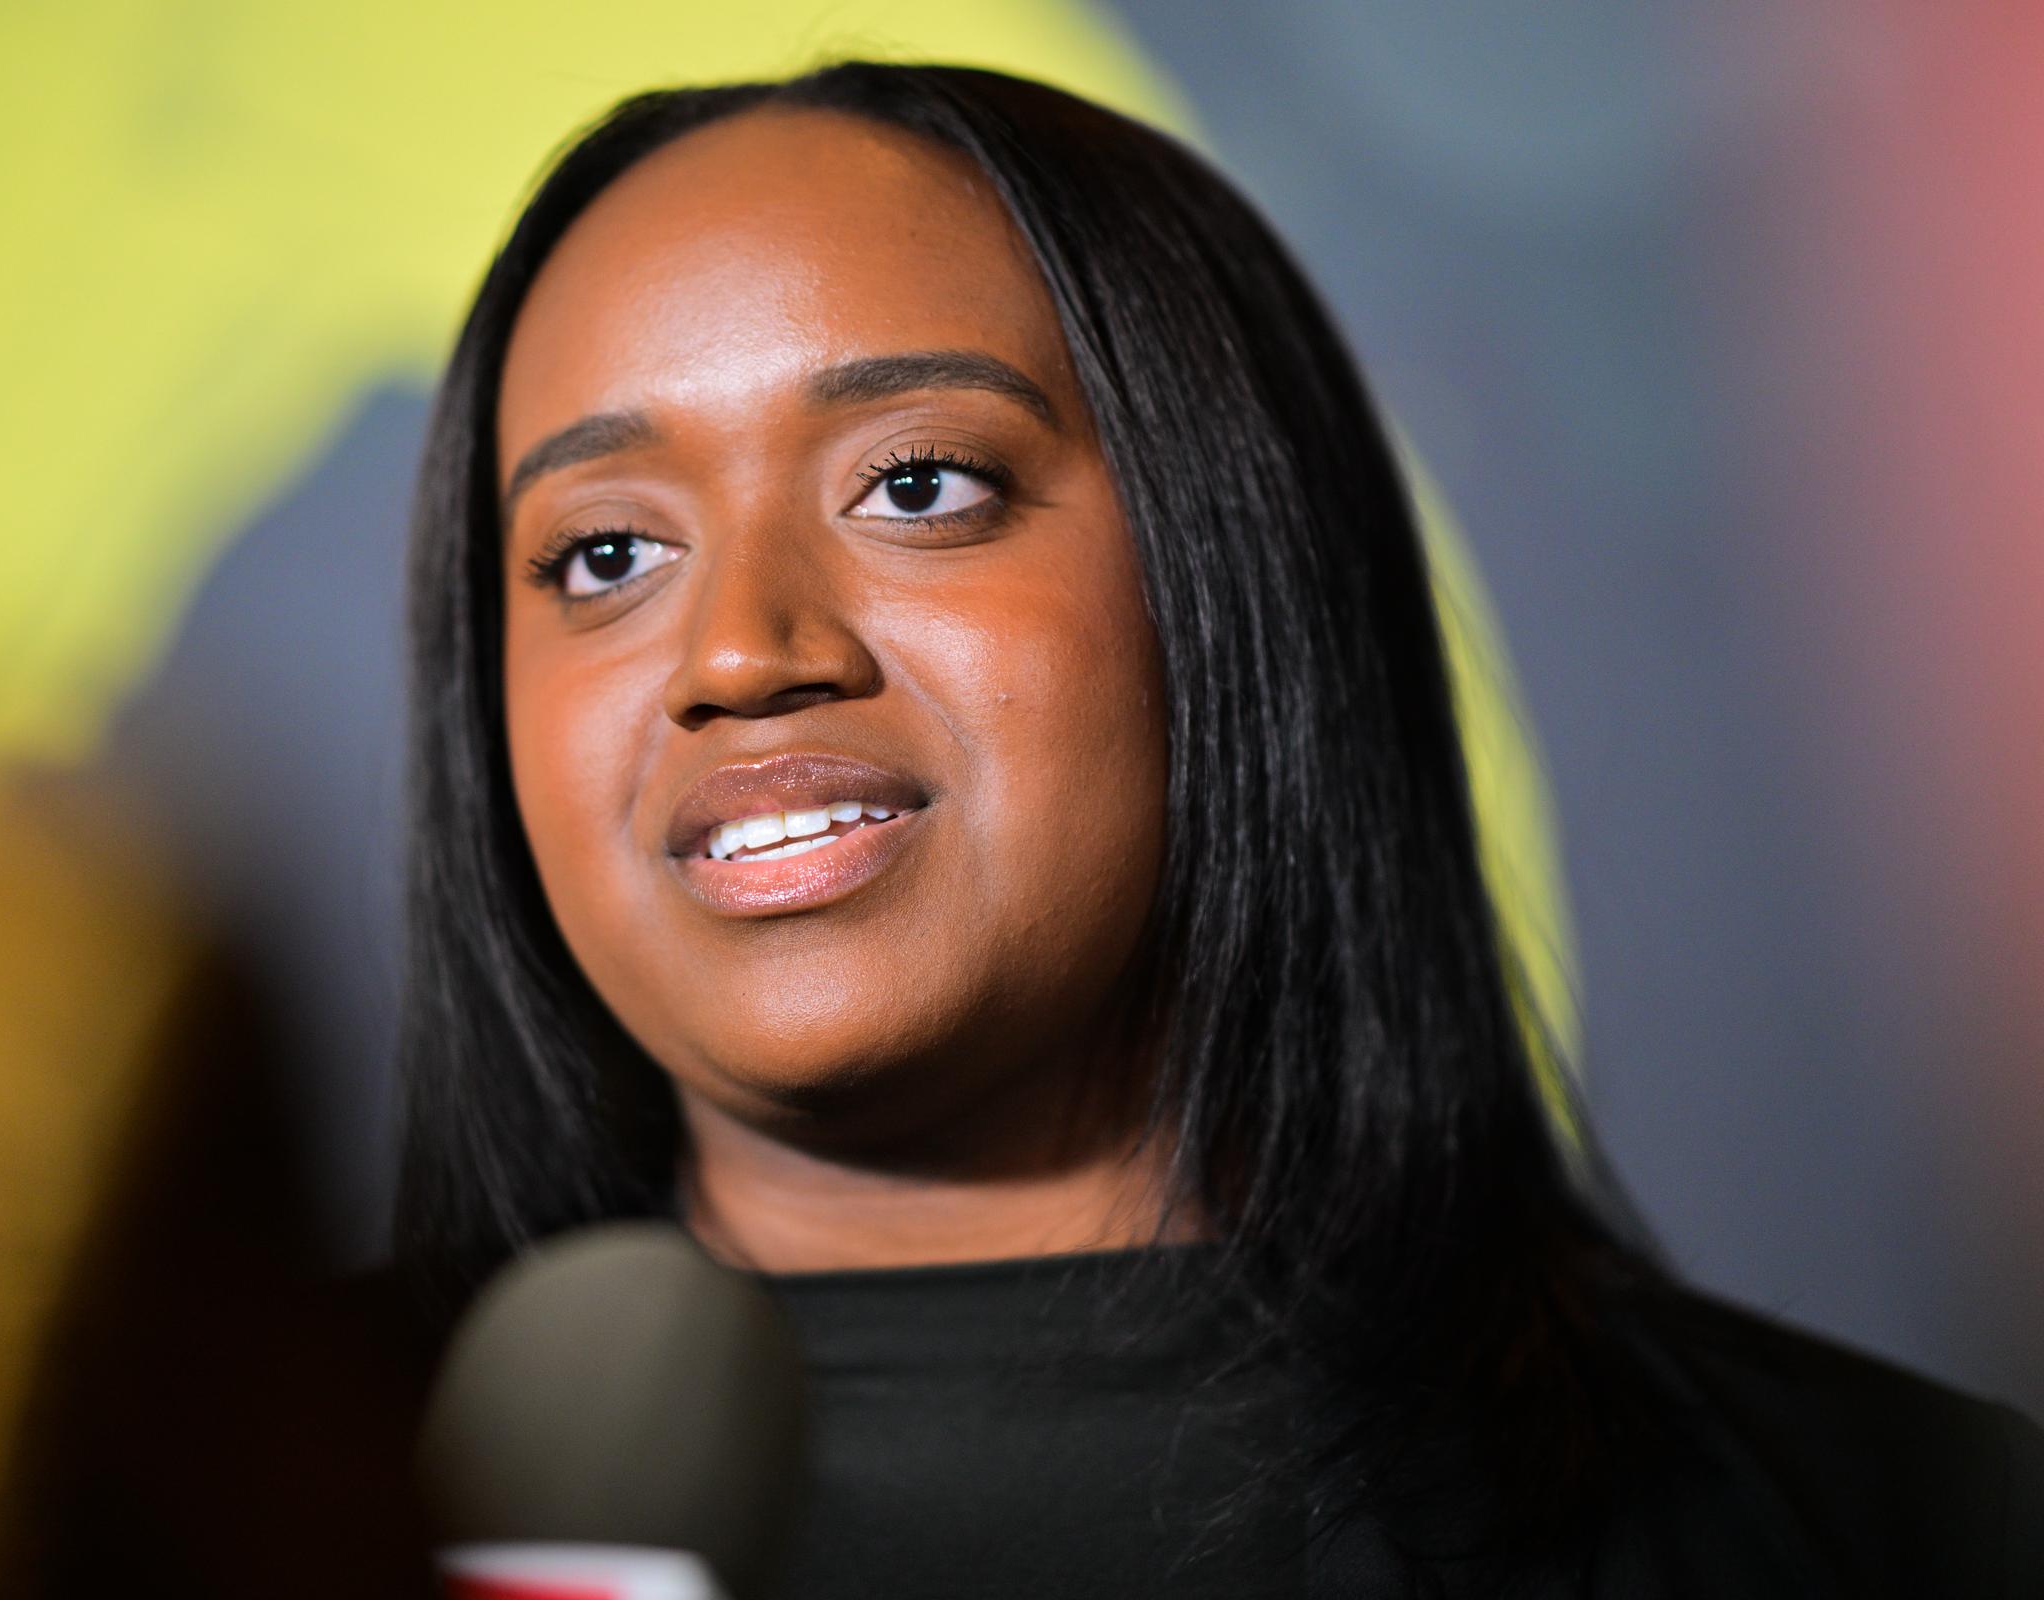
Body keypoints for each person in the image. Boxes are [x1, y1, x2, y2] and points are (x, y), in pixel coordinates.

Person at [395, 62, 2042, 1597]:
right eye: (605, 556)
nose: (745, 652)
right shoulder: (212, 1506)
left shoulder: (1895, 1529)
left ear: (1231, 582)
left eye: (916, 486)